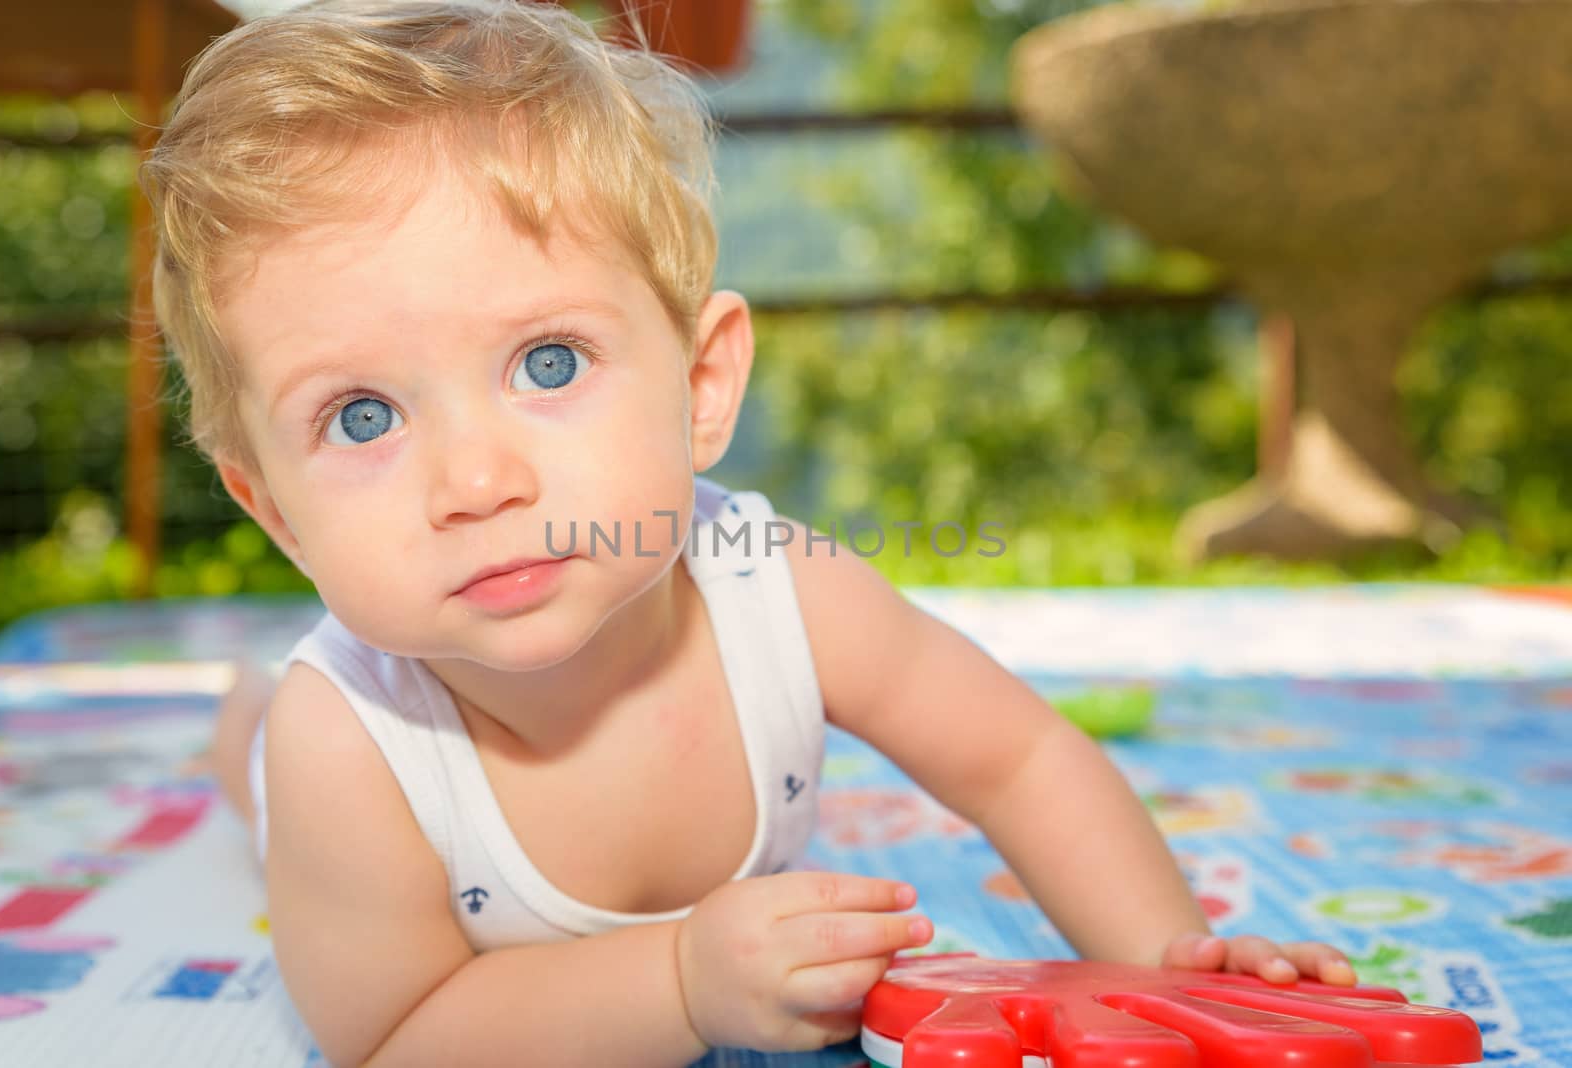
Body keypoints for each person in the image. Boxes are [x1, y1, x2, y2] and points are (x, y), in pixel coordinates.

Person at [146, 2, 1357, 1064]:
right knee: (259, 772)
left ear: (702, 385)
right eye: (363, 416)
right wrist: (675, 984)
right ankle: (235, 728)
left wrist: (1163, 959)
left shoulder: (775, 588)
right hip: (317, 797)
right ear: (279, 514)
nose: (474, 480)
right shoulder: (350, 746)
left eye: (547, 361)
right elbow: (398, 1038)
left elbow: (1018, 759)